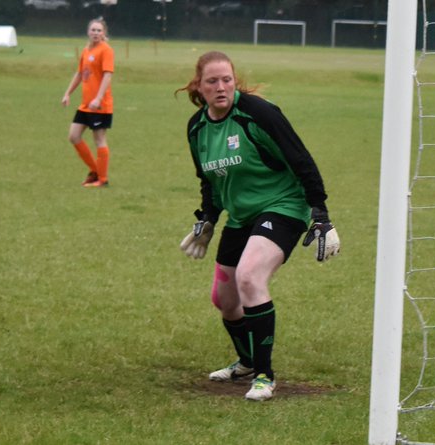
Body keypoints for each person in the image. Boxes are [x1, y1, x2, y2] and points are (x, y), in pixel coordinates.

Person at [175, 51, 341, 401]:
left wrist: (320, 215)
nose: (221, 87)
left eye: (227, 80)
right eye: (212, 81)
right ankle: (247, 363)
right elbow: (209, 180)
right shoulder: (197, 128)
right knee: (224, 299)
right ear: (199, 86)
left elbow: (301, 159)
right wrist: (206, 217)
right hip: (241, 215)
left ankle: (265, 377)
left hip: (282, 206)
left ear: (235, 81)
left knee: (249, 277)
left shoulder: (258, 113)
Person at [61, 17, 114, 188]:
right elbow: (79, 74)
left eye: (99, 30)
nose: (96, 33)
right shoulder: (86, 51)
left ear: (104, 33)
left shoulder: (106, 50)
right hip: (85, 105)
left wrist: (98, 98)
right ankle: (95, 171)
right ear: (88, 31)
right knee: (74, 136)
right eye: (93, 30)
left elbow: (107, 75)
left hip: (99, 105)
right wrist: (68, 93)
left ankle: (102, 179)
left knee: (99, 139)